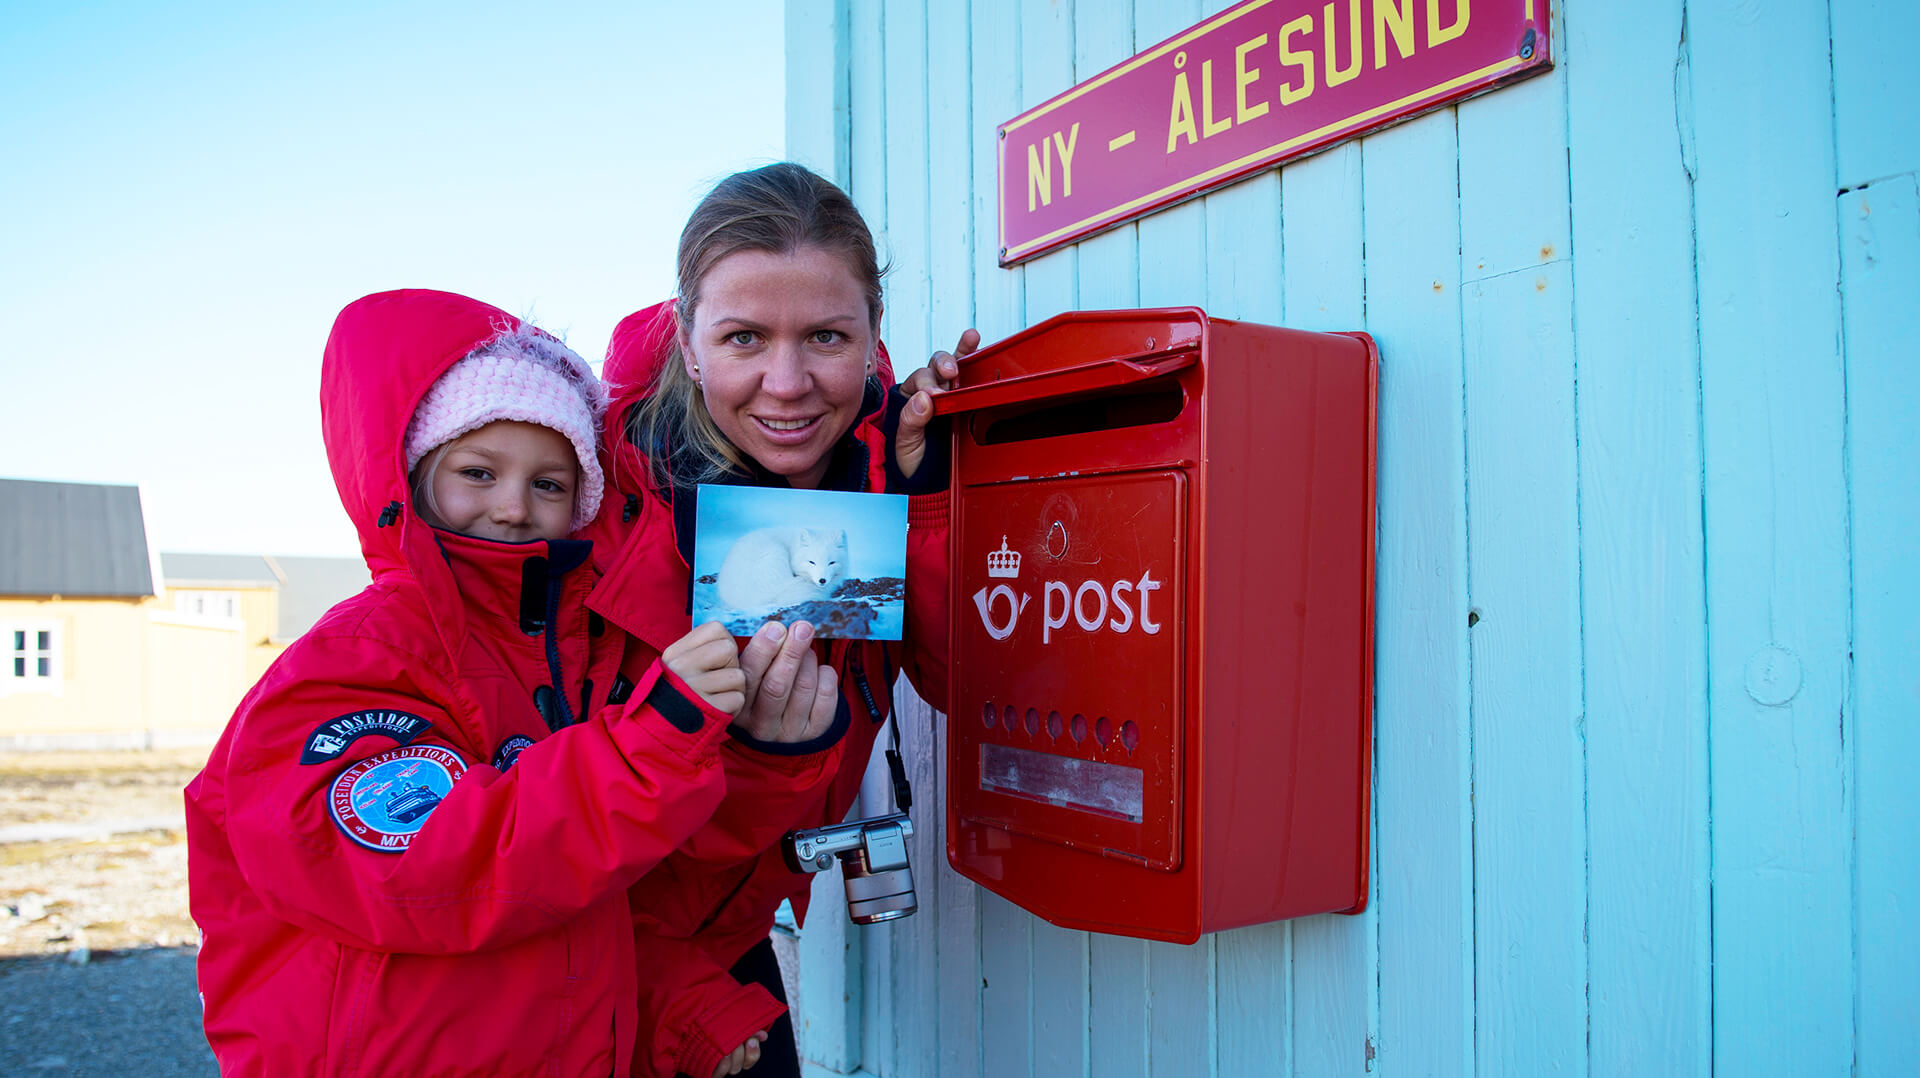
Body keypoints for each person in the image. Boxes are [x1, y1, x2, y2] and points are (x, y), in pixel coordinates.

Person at [184, 288, 779, 1077]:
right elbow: (434, 869)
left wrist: (686, 1006)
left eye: (549, 484)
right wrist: (652, 740)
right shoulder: (355, 658)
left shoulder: (573, 658)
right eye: (477, 470)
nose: (511, 507)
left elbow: (575, 897)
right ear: (414, 475)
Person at [582, 162, 975, 1078]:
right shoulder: (598, 496)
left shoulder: (885, 469)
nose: (788, 383)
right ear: (687, 342)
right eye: (744, 338)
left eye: (827, 336)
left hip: (729, 942)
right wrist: (763, 755)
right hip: (601, 957)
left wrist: (933, 501)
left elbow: (962, 685)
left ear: (874, 335)